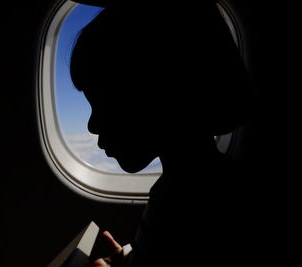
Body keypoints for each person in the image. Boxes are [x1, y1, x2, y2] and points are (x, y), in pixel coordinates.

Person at [70, 1, 255, 266]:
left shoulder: (193, 206)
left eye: (105, 103)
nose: (92, 125)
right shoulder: (188, 187)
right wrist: (129, 258)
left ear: (161, 96)